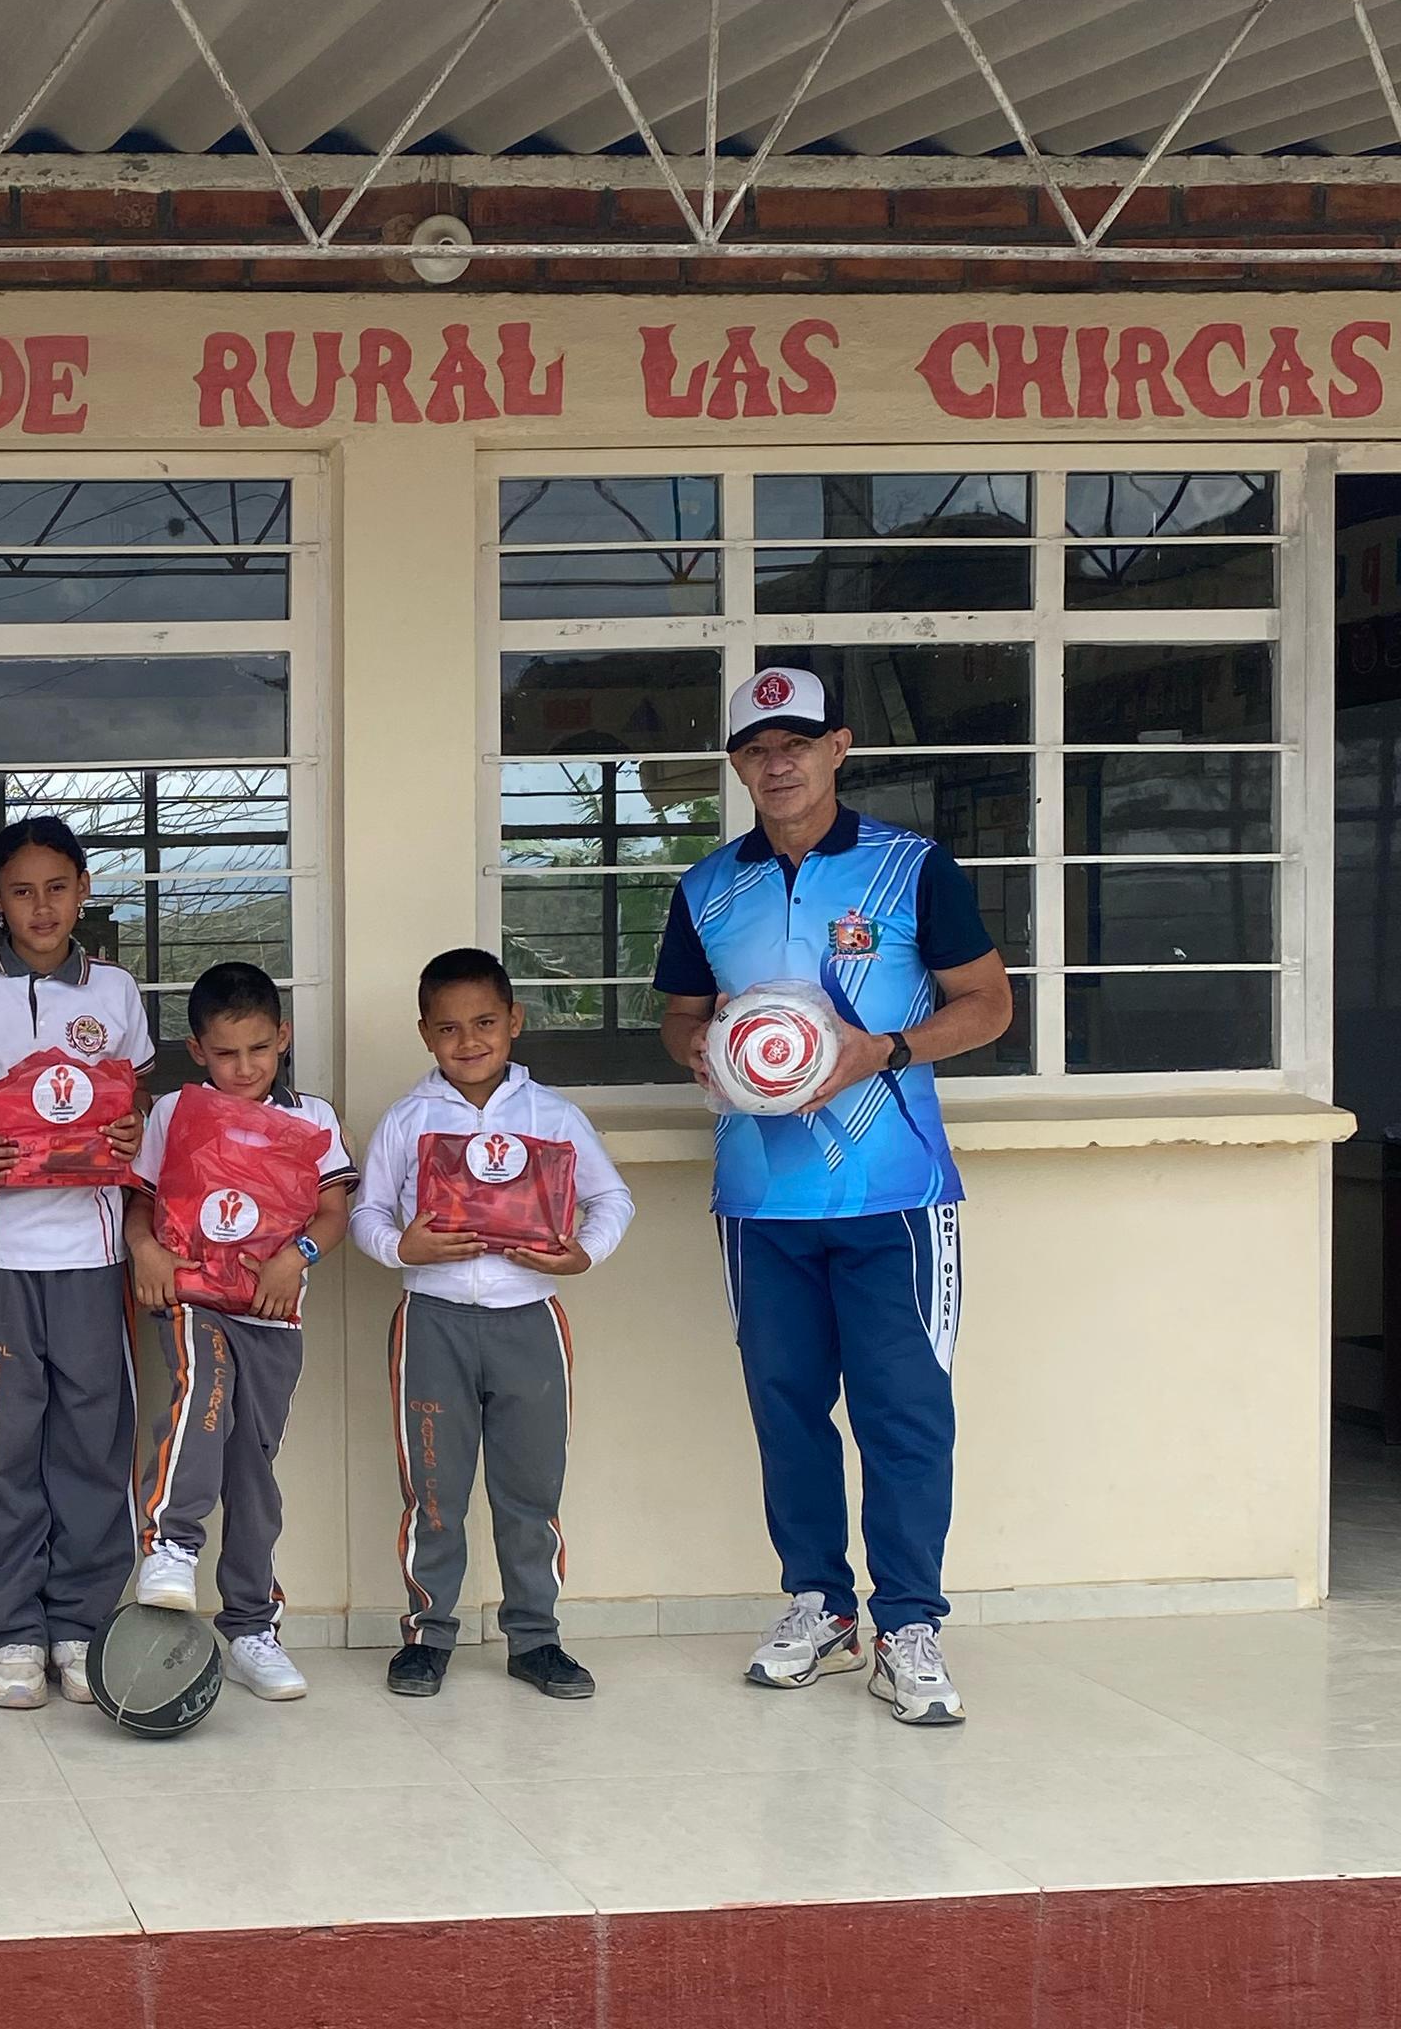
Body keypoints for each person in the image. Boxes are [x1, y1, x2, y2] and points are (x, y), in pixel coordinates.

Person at [656, 663, 1014, 1729]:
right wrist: (709, 1056)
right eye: (757, 749)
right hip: (762, 1203)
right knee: (788, 1412)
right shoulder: (708, 887)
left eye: (798, 743)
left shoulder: (912, 867)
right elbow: (679, 1017)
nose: (779, 763)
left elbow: (988, 1004)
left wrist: (883, 1050)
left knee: (905, 1417)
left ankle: (909, 1625)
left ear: (838, 747)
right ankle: (820, 1603)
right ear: (736, 765)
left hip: (892, 1197)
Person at [350, 946, 636, 1703]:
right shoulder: (408, 1120)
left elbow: (613, 1202)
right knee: (434, 1492)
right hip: (432, 1325)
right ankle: (428, 1637)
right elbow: (367, 1214)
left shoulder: (554, 1115)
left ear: (514, 1022)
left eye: (484, 1023)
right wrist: (398, 1246)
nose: (467, 1041)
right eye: (448, 1028)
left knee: (531, 1490)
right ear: (424, 1034)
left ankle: (535, 1640)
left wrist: (582, 1256)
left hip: (529, 1324)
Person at [0, 816, 153, 1711]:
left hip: (92, 1249)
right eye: (22, 891)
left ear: (84, 890)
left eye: (58, 887)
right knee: (2, 1437)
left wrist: (131, 1130)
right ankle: (13, 1630)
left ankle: (81, 1627)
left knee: (94, 1436)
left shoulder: (118, 992)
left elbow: (135, 1102)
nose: (41, 906)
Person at [123, 962, 356, 1702]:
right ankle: (169, 1546)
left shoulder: (312, 1118)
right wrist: (146, 1249)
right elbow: (139, 1201)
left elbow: (334, 1210)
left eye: (259, 1049)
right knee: (202, 1392)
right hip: (195, 1303)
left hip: (272, 1315)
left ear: (282, 1039)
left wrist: (300, 1255)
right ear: (198, 1050)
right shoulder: (173, 1114)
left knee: (253, 1471)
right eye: (227, 1054)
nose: (245, 1067)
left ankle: (253, 1624)